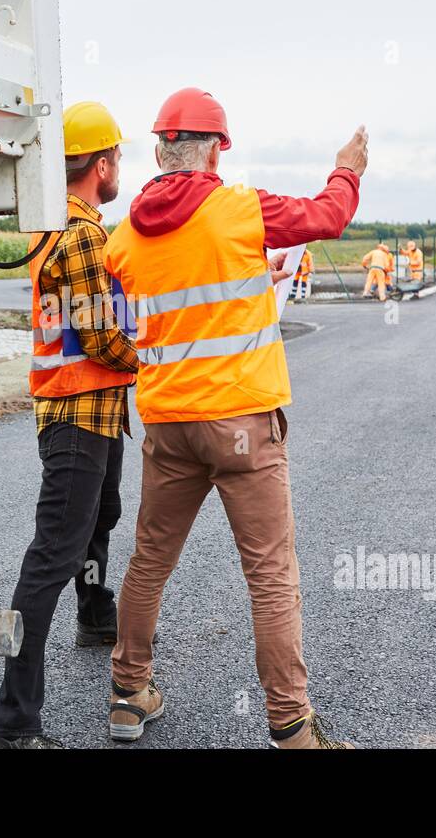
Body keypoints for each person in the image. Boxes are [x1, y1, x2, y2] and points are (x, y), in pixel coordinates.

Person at [102, 87, 364, 749]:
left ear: (161, 147)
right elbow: (328, 216)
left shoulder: (123, 237)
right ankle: (291, 726)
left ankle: (129, 696)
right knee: (271, 575)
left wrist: (254, 268)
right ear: (218, 148)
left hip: (168, 422)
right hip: (243, 420)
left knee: (149, 562)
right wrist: (348, 169)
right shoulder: (241, 208)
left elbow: (159, 306)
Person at [0, 101, 139, 749]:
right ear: (100, 164)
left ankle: (95, 615)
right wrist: (155, 360)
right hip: (78, 414)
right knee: (52, 555)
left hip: (93, 413)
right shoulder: (79, 235)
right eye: (118, 160)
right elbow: (102, 336)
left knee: (99, 519)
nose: (119, 170)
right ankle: (15, 722)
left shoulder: (65, 226)